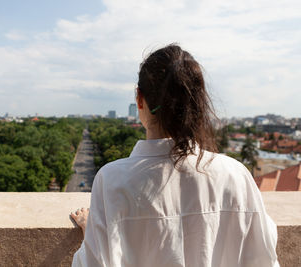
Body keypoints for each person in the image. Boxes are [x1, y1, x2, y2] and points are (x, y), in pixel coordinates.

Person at [70, 44, 279, 267]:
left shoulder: (112, 180)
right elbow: (263, 256)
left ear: (139, 99)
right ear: (198, 104)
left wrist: (91, 230)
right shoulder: (235, 176)